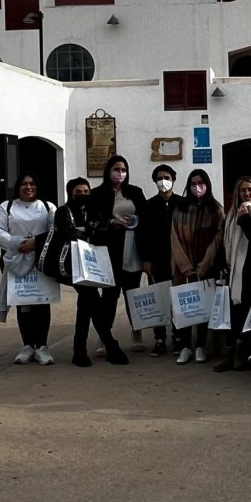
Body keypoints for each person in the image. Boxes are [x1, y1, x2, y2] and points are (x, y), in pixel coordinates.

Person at [57, 177, 129, 367]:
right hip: (74, 265)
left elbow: (104, 230)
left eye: (86, 191)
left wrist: (85, 230)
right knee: (93, 301)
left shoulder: (94, 210)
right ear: (70, 193)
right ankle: (111, 345)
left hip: (93, 263)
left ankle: (79, 350)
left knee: (86, 305)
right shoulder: (63, 211)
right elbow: (67, 232)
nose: (82, 195)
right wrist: (91, 230)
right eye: (78, 192)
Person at [0, 171, 56, 366]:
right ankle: (28, 345)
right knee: (23, 302)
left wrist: (35, 243)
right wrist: (19, 243)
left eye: (32, 184)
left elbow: (55, 229)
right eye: (24, 184)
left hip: (42, 260)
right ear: (18, 187)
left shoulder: (47, 207)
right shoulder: (7, 207)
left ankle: (42, 346)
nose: (29, 187)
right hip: (16, 260)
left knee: (42, 302)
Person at [87, 155, 147, 353]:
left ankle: (136, 332)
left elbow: (146, 218)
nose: (120, 173)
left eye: (123, 170)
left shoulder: (135, 192)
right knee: (109, 296)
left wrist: (136, 222)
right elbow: (92, 221)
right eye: (116, 169)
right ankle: (105, 336)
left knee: (133, 293)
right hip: (108, 250)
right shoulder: (97, 194)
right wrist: (110, 223)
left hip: (132, 250)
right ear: (108, 171)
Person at [170, 168, 224, 365]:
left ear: (207, 185)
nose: (197, 187)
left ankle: (200, 345)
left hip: (205, 267)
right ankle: (185, 346)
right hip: (183, 268)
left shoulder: (216, 209)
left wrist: (203, 265)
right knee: (184, 307)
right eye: (193, 184)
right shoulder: (180, 208)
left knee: (202, 308)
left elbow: (217, 240)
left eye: (201, 183)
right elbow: (174, 238)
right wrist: (185, 266)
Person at [214, 176, 251, 372]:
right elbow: (225, 242)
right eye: (243, 190)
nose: (247, 194)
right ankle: (230, 354)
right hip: (233, 270)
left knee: (246, 313)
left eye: (250, 190)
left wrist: (245, 218)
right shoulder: (231, 214)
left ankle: (242, 353)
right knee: (232, 313)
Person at [136, 164, 180, 357]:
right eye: (160, 178)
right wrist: (145, 260)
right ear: (155, 181)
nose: (164, 181)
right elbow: (141, 235)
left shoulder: (182, 203)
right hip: (157, 259)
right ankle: (159, 339)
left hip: (179, 260)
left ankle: (178, 338)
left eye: (167, 177)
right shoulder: (147, 206)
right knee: (159, 300)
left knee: (177, 300)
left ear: (173, 179)